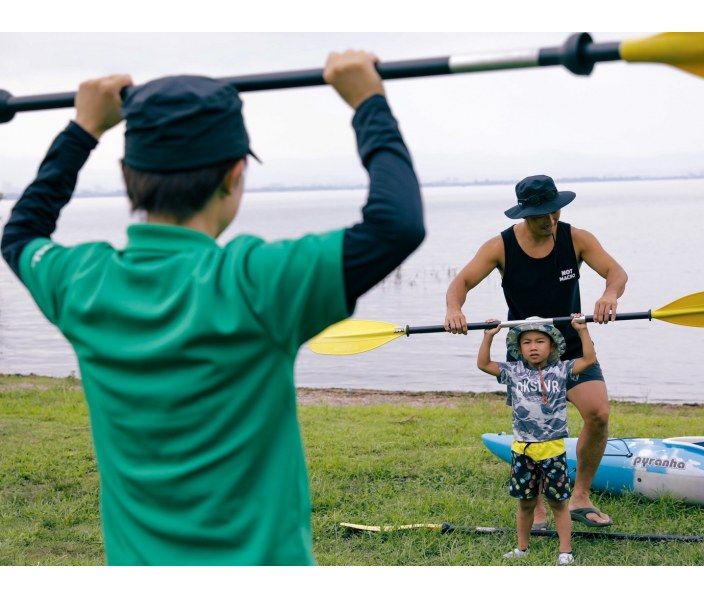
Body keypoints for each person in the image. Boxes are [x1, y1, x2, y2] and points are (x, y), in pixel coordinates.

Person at [0, 51, 425, 565]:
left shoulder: (82, 283)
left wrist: (83, 129)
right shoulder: (256, 283)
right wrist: (367, 101)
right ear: (234, 175)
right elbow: (395, 225)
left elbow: (22, 232)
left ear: (126, 174)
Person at [446, 174, 627, 528]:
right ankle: (539, 505)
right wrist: (455, 309)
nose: (550, 221)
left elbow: (616, 272)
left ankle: (580, 497)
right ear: (524, 214)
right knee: (537, 430)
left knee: (598, 414)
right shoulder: (499, 247)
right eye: (542, 215)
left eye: (554, 212)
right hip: (527, 350)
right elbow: (461, 283)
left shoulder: (577, 238)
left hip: (572, 345)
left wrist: (609, 295)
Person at [478, 315, 597, 565]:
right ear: (519, 348)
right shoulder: (514, 371)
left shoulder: (561, 369)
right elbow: (484, 363)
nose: (533, 346)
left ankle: (565, 551)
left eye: (540, 341)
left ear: (551, 346)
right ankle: (522, 548)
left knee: (558, 503)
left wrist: (582, 330)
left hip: (552, 450)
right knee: (525, 503)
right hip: (522, 450)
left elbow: (589, 360)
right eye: (527, 342)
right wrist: (488, 336)